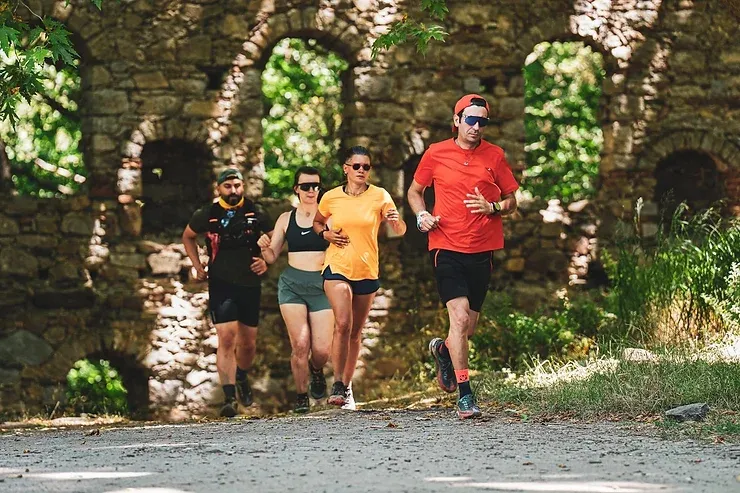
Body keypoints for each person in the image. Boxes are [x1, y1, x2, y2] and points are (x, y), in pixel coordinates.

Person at [407, 94, 519, 419]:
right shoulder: (436, 153)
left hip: (482, 251)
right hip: (446, 247)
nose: (476, 126)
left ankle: (443, 349)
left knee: (466, 330)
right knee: (457, 319)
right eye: (470, 119)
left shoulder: (495, 156)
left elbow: (513, 200)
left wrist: (494, 207)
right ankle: (465, 394)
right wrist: (420, 215)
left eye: (482, 121)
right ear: (457, 121)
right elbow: (415, 191)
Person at [313, 146, 407, 408]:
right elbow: (318, 222)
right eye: (357, 166)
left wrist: (395, 220)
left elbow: (399, 230)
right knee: (342, 323)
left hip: (366, 269)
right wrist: (325, 235)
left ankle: (347, 384)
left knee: (355, 332)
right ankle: (338, 384)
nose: (362, 171)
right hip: (337, 266)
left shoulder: (380, 195)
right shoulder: (331, 197)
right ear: (346, 169)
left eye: (366, 167)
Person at [182, 168, 274, 417]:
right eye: (228, 186)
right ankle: (229, 397)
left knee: (248, 344)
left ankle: (241, 375)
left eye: (237, 186)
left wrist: (266, 261)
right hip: (221, 283)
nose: (233, 191)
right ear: (218, 188)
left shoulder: (256, 211)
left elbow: (275, 238)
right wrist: (197, 265)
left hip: (250, 283)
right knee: (227, 337)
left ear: (243, 186)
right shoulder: (208, 213)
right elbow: (188, 236)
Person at [257, 167, 334, 413]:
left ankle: (316, 369)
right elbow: (271, 257)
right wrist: (261, 245)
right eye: (306, 186)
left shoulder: (330, 216)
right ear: (296, 189)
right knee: (300, 345)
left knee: (321, 350)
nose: (311, 190)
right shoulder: (285, 219)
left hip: (322, 285)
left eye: (315, 186)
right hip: (292, 286)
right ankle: (302, 397)